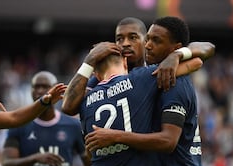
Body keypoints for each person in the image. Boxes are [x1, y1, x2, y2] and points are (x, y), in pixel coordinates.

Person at [84, 16, 213, 166]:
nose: (148, 45)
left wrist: (177, 56)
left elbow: (204, 50)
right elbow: (72, 103)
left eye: (154, 40)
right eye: (149, 40)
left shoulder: (171, 79)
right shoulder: (122, 80)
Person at [62, 17, 207, 116]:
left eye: (133, 37)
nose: (125, 43)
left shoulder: (159, 68)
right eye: (119, 39)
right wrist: (89, 61)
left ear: (146, 41)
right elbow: (68, 107)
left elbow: (204, 50)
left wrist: (177, 55)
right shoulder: (105, 77)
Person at [1, 71, 89, 166]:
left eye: (45, 86)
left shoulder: (73, 126)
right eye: (36, 87)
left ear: (56, 90)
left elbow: (89, 165)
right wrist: (35, 158)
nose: (40, 91)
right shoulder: (19, 125)